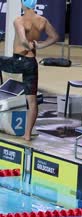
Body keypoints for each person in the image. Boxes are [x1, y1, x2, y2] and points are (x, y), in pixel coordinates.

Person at [0, 0, 58, 141]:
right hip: (31, 63)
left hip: (19, 61)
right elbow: (55, 37)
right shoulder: (42, 20)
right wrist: (40, 46)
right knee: (31, 101)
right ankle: (27, 135)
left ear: (24, 4)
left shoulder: (19, 20)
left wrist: (29, 45)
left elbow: (23, 39)